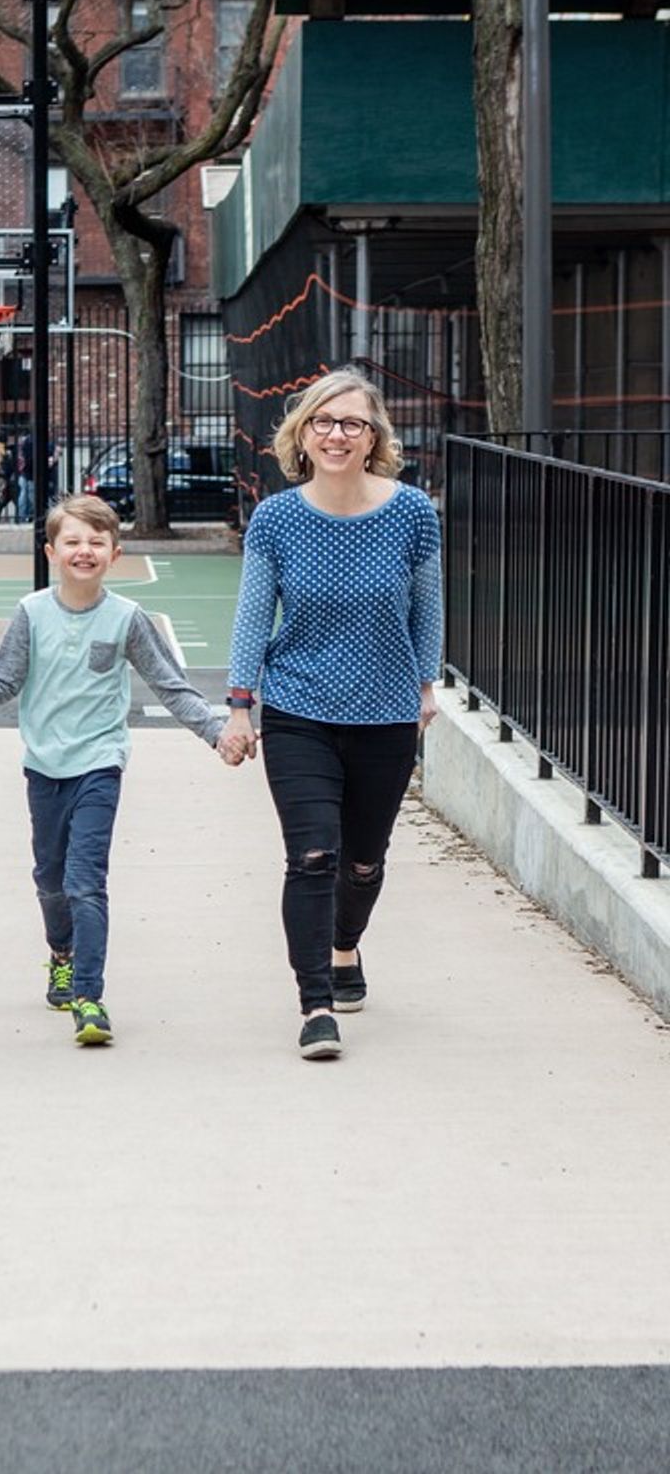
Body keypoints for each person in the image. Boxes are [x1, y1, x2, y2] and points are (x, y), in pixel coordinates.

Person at [0, 493, 239, 1045]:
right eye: (73, 541)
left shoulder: (127, 619)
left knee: (85, 882)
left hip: (101, 763)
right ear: (51, 551)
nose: (85, 551)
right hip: (43, 766)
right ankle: (61, 951)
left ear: (115, 553)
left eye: (96, 542)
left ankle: (89, 996)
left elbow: (171, 687)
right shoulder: (31, 614)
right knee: (50, 882)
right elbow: (0, 686)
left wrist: (218, 732)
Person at [218, 368, 442, 1062]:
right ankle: (316, 1004)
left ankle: (346, 948)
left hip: (384, 711)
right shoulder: (278, 519)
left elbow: (425, 606)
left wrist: (426, 687)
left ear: (374, 436)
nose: (336, 434)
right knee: (312, 856)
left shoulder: (412, 512)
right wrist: (238, 704)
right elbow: (256, 614)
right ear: (302, 433)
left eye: (351, 423)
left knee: (364, 861)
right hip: (299, 708)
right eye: (323, 421)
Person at [0, 440, 18, 523]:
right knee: (0, 505)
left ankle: (20, 519)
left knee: (17, 504)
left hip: (12, 486)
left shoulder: (9, 458)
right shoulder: (8, 457)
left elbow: (7, 472)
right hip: (9, 486)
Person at [15, 432, 34, 523]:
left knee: (24, 495)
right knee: (30, 496)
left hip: (24, 473)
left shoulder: (26, 442)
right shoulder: (31, 442)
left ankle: (22, 517)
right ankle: (29, 516)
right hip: (30, 474)